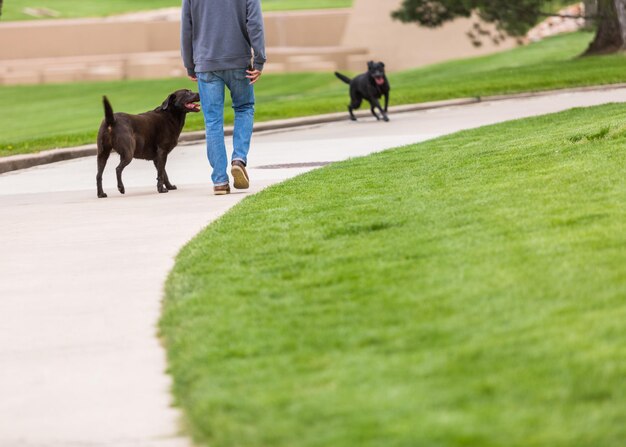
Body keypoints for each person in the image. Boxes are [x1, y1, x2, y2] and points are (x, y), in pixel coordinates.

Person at [181, 0, 266, 195]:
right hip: (239, 62)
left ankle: (220, 181)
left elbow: (187, 27)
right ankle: (239, 160)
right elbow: (255, 24)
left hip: (206, 63)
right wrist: (259, 60)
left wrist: (189, 64)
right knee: (244, 108)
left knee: (213, 121)